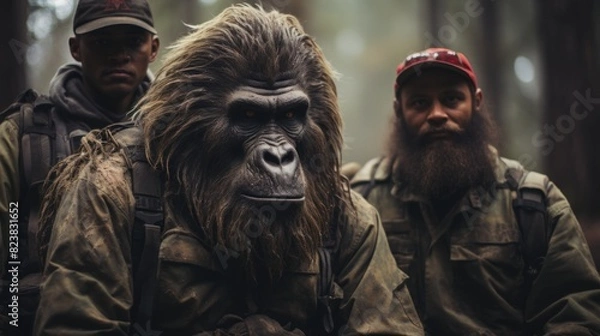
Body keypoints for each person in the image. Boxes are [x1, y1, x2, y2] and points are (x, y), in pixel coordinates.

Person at [34, 5, 424, 336]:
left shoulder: (344, 216)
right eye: (249, 117)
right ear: (193, 125)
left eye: (290, 117)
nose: (278, 152)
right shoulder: (114, 192)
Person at [346, 47, 600, 335]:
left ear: (476, 102)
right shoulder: (362, 201)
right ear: (399, 112)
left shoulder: (534, 204)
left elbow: (575, 311)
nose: (437, 114)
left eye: (451, 99)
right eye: (419, 102)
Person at [0, 0, 159, 334]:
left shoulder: (176, 138)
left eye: (132, 41)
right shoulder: (23, 135)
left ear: (153, 48)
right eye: (103, 42)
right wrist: (13, 315)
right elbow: (9, 243)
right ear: (76, 48)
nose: (119, 55)